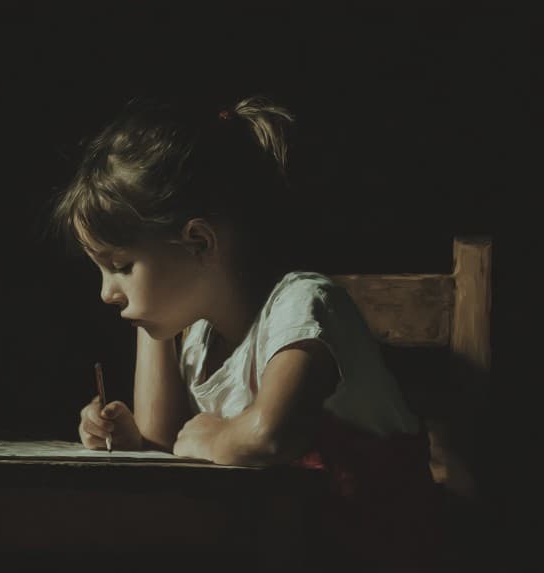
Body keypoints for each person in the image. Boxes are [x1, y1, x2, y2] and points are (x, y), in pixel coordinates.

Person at [50, 95, 442, 570]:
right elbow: (166, 443)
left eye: (122, 266)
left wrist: (207, 439)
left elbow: (268, 438)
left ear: (199, 242)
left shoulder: (304, 305)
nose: (106, 293)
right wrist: (127, 434)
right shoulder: (198, 337)